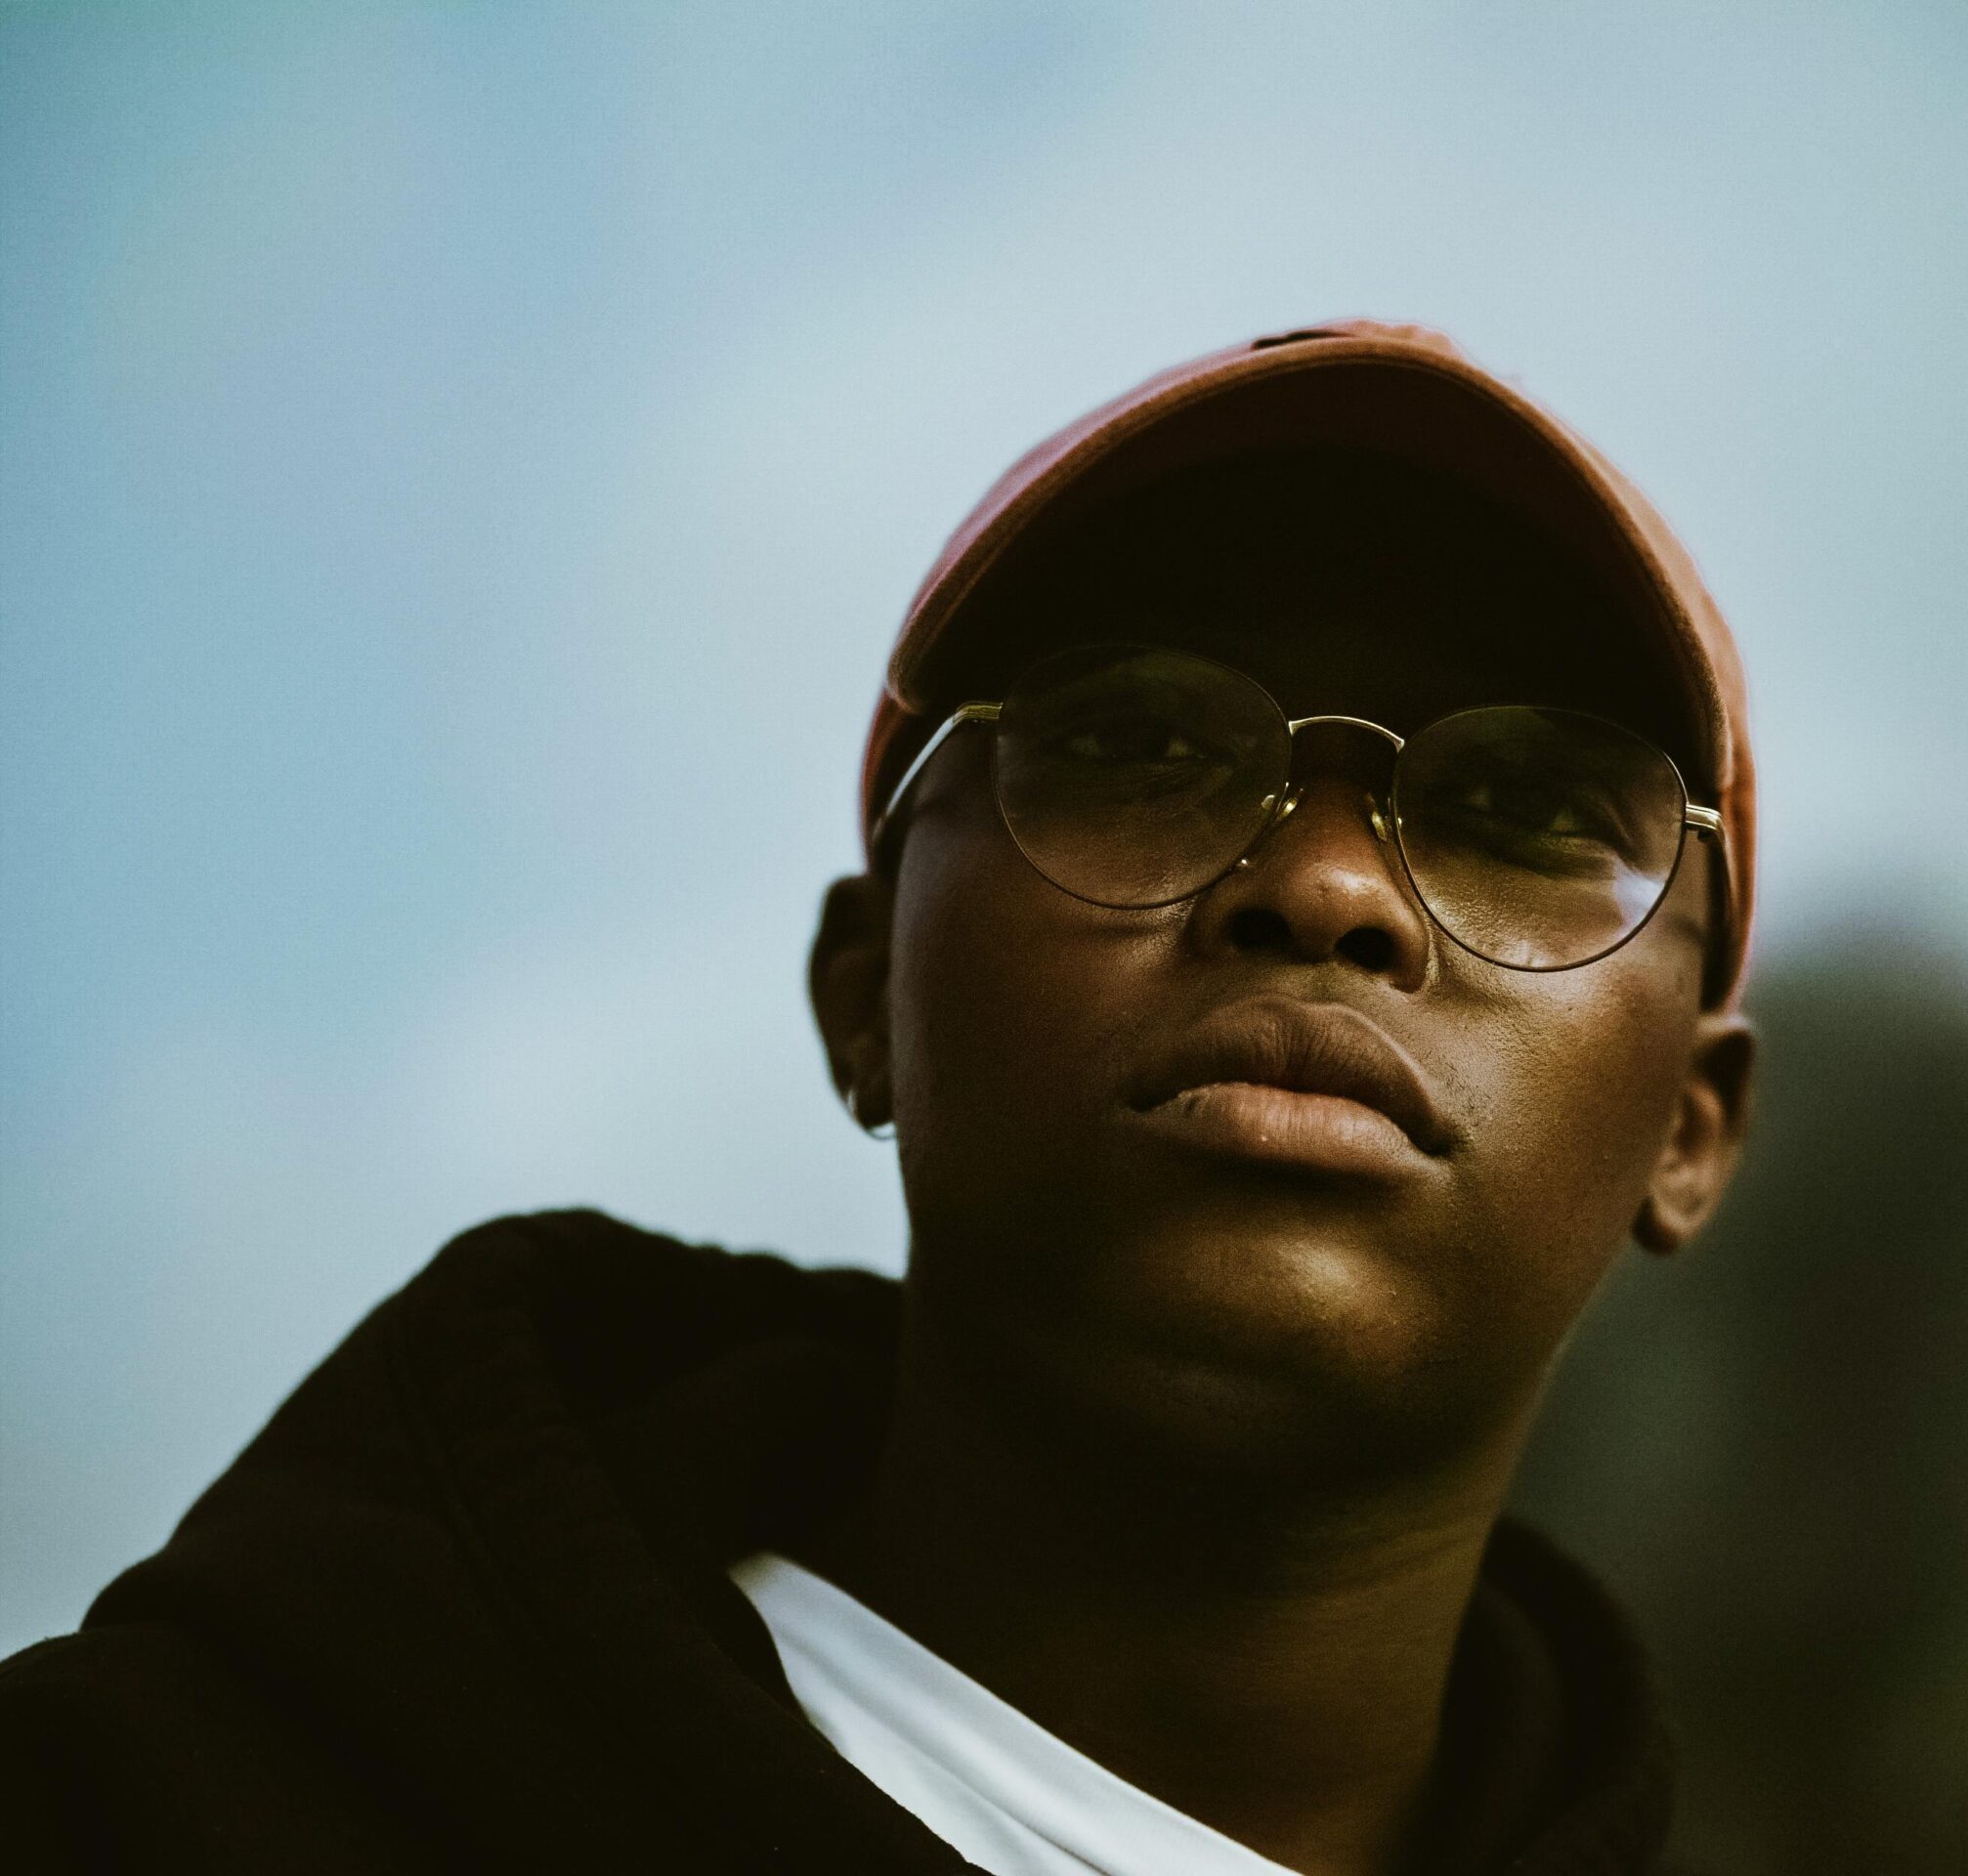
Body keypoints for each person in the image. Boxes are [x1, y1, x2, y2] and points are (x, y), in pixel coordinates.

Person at [0, 320, 1759, 1875]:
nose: (1326, 886)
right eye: (1137, 744)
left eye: (1530, 809)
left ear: (1690, 1131)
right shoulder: (129, 1800)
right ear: (866, 995)